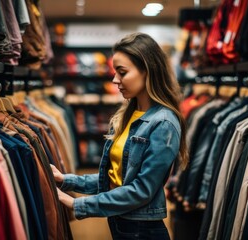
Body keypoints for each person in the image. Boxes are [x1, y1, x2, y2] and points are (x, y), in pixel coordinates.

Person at [50, 32, 189, 239]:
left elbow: (141, 190)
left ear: (147, 71)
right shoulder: (129, 115)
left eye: (122, 72)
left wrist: (77, 203)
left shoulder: (164, 123)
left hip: (143, 231)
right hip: (122, 223)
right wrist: (66, 180)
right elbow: (114, 178)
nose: (115, 80)